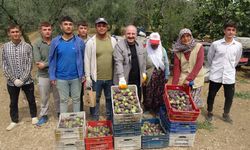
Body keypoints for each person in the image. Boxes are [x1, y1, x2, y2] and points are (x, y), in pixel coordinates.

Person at [2, 24, 38, 131]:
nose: (15, 34)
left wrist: (22, 79)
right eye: (12, 32)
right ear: (9, 34)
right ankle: (14, 120)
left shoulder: (27, 46)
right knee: (13, 101)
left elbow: (29, 64)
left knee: (31, 99)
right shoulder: (4, 47)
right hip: (11, 82)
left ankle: (34, 116)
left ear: (20, 33)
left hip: (27, 80)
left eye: (17, 31)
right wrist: (14, 79)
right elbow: (4, 65)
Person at [206, 21, 242, 123]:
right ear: (224, 31)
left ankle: (226, 114)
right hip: (216, 74)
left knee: (229, 97)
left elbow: (236, 60)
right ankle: (209, 112)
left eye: (233, 30)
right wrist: (215, 68)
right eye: (228, 30)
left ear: (235, 32)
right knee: (211, 95)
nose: (230, 32)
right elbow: (210, 58)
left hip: (229, 75)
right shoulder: (216, 44)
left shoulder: (238, 46)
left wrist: (230, 67)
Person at [49, 16, 85, 113]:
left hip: (76, 77)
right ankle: (64, 121)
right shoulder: (55, 42)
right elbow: (52, 60)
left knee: (77, 100)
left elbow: (83, 59)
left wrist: (83, 74)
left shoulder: (79, 42)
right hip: (61, 77)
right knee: (63, 100)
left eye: (70, 24)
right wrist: (52, 76)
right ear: (61, 27)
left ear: (73, 26)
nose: (68, 26)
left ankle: (77, 121)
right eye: (65, 24)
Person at [85, 18, 117, 120]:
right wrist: (88, 77)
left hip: (110, 77)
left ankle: (110, 118)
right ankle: (95, 118)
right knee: (95, 99)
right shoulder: (91, 42)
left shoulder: (113, 41)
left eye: (103, 25)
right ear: (96, 27)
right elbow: (87, 60)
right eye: (99, 25)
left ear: (107, 27)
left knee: (109, 98)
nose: (101, 28)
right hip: (96, 78)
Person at [33, 22, 60, 125]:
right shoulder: (36, 44)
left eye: (49, 29)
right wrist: (51, 63)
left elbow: (59, 59)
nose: (47, 31)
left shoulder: (56, 42)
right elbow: (38, 63)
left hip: (57, 75)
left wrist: (46, 64)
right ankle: (44, 115)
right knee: (44, 97)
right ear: (40, 31)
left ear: (51, 30)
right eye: (45, 29)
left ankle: (59, 113)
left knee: (58, 96)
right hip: (43, 75)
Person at [172, 28, 205, 108]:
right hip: (183, 79)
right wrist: (174, 85)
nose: (186, 38)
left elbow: (199, 65)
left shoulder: (199, 47)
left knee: (192, 102)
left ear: (191, 36)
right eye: (183, 37)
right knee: (183, 101)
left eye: (188, 36)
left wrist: (189, 79)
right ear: (180, 38)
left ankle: (197, 103)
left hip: (197, 78)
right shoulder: (177, 51)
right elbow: (177, 69)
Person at [113, 25, 146, 101]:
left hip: (137, 80)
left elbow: (143, 60)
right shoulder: (119, 46)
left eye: (133, 34)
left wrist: (143, 72)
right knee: (124, 102)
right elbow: (118, 62)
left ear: (136, 35)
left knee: (136, 101)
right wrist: (121, 78)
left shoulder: (140, 45)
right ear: (125, 34)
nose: (131, 36)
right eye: (128, 34)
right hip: (125, 80)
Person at [143, 32, 170, 113]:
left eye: (156, 44)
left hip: (160, 76)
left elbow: (166, 63)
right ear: (149, 42)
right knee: (148, 92)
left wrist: (167, 76)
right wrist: (143, 77)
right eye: (153, 44)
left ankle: (156, 108)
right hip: (149, 76)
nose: (154, 46)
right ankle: (147, 107)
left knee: (158, 92)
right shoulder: (145, 50)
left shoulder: (162, 50)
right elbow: (143, 64)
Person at [77, 20, 90, 111]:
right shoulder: (74, 40)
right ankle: (80, 112)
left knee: (90, 91)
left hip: (89, 70)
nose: (83, 30)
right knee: (79, 93)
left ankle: (93, 112)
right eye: (81, 28)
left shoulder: (92, 40)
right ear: (78, 29)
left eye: (85, 28)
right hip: (78, 71)